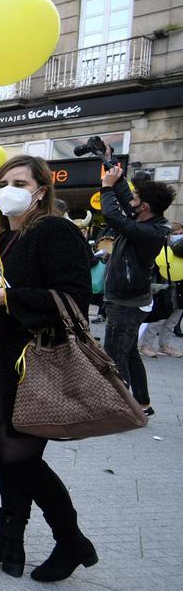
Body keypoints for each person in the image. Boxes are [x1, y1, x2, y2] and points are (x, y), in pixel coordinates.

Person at [0, 154, 97, 583]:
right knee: (4, 458)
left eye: (18, 181)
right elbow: (1, 291)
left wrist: (8, 300)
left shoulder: (53, 230)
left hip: (33, 367)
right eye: (2, 182)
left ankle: (71, 543)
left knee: (20, 460)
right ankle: (9, 543)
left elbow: (73, 300)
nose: (7, 189)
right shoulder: (5, 240)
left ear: (40, 191)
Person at [100, 165, 173, 417]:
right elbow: (124, 199)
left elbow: (113, 216)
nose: (131, 199)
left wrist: (106, 187)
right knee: (129, 353)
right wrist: (112, 165)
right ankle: (142, 403)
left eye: (137, 198)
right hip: (129, 299)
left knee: (115, 355)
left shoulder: (150, 231)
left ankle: (119, 408)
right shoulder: (146, 219)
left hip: (127, 303)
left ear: (144, 207)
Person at [139, 221, 183, 358]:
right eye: (176, 234)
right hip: (165, 287)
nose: (179, 236)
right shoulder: (162, 248)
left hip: (180, 289)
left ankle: (165, 345)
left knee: (173, 320)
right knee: (159, 319)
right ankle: (146, 345)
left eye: (181, 234)